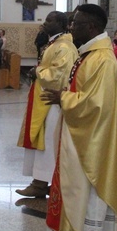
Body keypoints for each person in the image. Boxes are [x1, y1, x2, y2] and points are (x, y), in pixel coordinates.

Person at [41, 4, 117, 231]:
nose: (71, 27)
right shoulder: (89, 54)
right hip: (81, 138)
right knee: (78, 197)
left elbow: (98, 104)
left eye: (75, 23)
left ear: (91, 27)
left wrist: (63, 98)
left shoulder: (102, 59)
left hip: (94, 146)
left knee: (90, 199)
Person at [16, 11, 78, 198]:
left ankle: (41, 183)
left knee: (48, 142)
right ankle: (40, 181)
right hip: (43, 99)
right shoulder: (55, 43)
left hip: (52, 102)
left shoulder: (65, 47)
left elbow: (60, 75)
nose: (45, 22)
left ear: (61, 24)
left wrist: (38, 71)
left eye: (49, 20)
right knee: (43, 140)